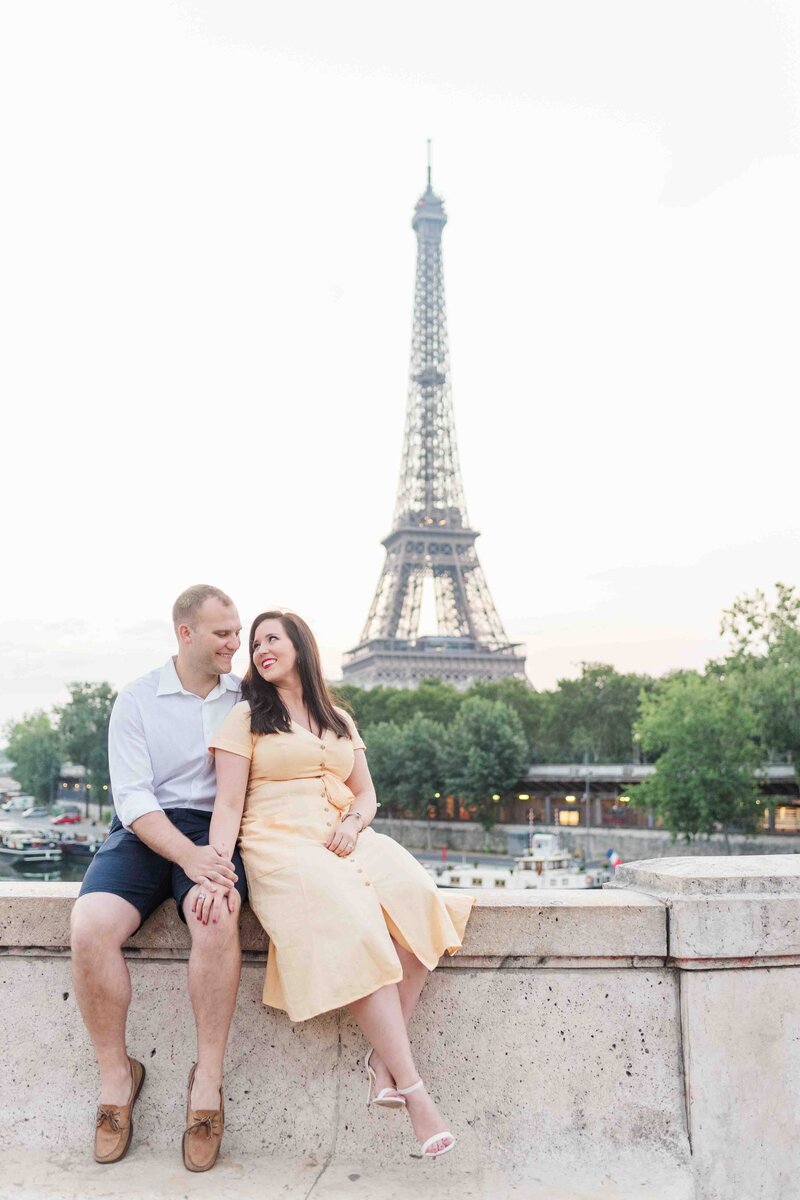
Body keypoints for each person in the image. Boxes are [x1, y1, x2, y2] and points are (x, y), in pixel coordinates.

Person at [204, 609, 474, 1160]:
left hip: (342, 833)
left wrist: (353, 822)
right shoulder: (245, 717)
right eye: (254, 644)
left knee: (423, 904)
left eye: (271, 639)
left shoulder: (340, 719)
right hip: (280, 842)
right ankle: (416, 1091)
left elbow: (367, 795)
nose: (259, 650)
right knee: (353, 925)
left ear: (301, 645)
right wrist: (214, 868)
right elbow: (228, 802)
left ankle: (380, 1062)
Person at [70, 585, 247, 1172]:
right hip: (144, 828)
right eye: (223, 632)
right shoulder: (137, 699)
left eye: (237, 629)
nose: (235, 641)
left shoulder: (247, 700)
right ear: (186, 633)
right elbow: (135, 798)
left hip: (214, 830)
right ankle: (118, 1078)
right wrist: (188, 859)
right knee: (91, 925)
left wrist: (211, 861)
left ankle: (208, 1081)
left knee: (218, 917)